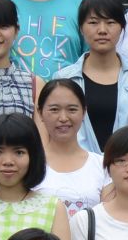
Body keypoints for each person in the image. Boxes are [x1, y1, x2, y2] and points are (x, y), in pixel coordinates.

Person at [54, 0, 128, 152]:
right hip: (77, 165)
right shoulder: (64, 79)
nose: (102, 30)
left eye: (110, 22)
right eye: (93, 22)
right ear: (81, 28)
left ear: (122, 27)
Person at [31, 77, 108, 215]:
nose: (63, 118)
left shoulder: (102, 166)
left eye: (72, 109)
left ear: (84, 112)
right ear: (40, 112)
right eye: (54, 110)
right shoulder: (29, 164)